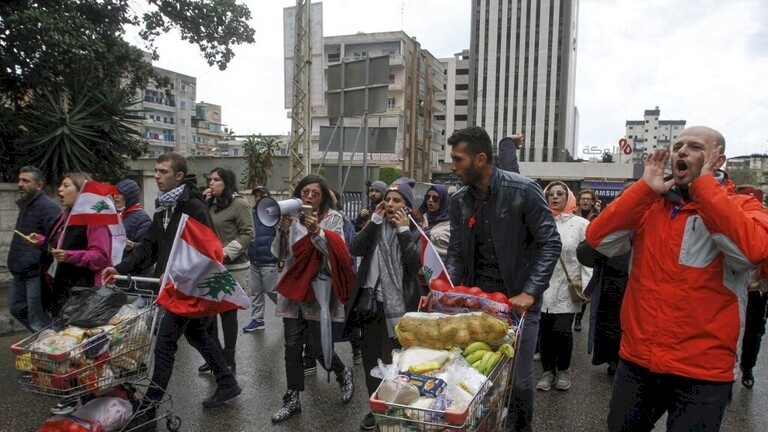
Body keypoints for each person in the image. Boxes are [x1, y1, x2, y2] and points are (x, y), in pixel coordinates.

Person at [586, 126, 768, 431]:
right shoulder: (651, 203)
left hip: (703, 371)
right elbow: (598, 239)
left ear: (717, 159)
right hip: (638, 361)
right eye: (677, 146)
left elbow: (750, 253)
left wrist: (706, 189)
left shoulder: (743, 206)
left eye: (694, 147)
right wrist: (644, 189)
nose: (680, 152)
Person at [102, 152, 241, 427]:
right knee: (197, 335)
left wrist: (179, 272)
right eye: (155, 170)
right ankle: (227, 382)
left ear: (178, 175)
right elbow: (149, 247)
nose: (156, 176)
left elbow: (208, 250)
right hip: (172, 288)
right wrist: (120, 269)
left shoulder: (193, 207)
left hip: (185, 287)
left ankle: (148, 412)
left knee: (165, 344)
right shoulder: (164, 207)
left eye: (163, 171)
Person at [444, 126, 561, 432]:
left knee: (518, 382)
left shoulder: (523, 190)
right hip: (477, 303)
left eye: (458, 159)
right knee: (475, 377)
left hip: (519, 303)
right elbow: (456, 252)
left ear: (480, 159)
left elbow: (550, 243)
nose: (453, 167)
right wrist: (449, 290)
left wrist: (531, 292)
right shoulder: (459, 202)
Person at [270, 174, 356, 423]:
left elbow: (335, 254)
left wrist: (316, 231)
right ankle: (292, 398)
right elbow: (281, 254)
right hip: (293, 288)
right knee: (292, 346)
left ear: (323, 197)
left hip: (319, 290)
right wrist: (283, 230)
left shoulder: (333, 219)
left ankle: (342, 373)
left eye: (314, 193)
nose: (308, 197)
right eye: (304, 192)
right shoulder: (289, 217)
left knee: (319, 346)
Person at [348, 179, 424, 430]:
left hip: (397, 309)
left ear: (407, 206)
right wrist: (374, 222)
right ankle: (375, 407)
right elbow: (356, 247)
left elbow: (414, 266)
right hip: (370, 305)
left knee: (392, 363)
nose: (390, 204)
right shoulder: (375, 224)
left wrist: (403, 231)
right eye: (388, 199)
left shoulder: (414, 230)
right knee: (371, 363)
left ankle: (394, 408)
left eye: (397, 200)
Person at [197, 167, 255, 374]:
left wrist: (225, 253)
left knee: (227, 315)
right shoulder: (209, 205)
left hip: (231, 266)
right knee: (208, 316)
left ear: (227, 183)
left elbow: (248, 233)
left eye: (216, 180)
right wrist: (202, 203)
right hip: (210, 267)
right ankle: (215, 356)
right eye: (209, 179)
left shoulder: (239, 204)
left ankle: (229, 359)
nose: (211, 183)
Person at [536, 182, 592, 392]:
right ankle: (547, 370)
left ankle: (564, 369)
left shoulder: (580, 225)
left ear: (569, 197)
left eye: (560, 193)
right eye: (550, 193)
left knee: (562, 331)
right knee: (544, 331)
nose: (555, 196)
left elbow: (587, 259)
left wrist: (587, 287)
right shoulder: (540, 222)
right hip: (542, 287)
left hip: (567, 287)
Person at [32, 172, 112, 320]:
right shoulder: (64, 218)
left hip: (83, 295)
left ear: (81, 191)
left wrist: (70, 256)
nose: (59, 190)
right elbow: (62, 244)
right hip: (60, 292)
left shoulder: (94, 220)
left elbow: (100, 256)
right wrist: (42, 242)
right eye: (60, 185)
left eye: (66, 185)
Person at [576, 183, 634, 377]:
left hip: (638, 288)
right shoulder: (609, 221)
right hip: (611, 284)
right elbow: (588, 255)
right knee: (610, 325)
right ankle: (613, 360)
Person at [8, 166, 61, 332]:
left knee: (37, 319)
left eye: (26, 181)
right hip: (20, 271)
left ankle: (49, 349)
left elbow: (55, 241)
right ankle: (46, 340)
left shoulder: (48, 207)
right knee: (16, 309)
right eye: (19, 180)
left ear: (39, 185)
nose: (21, 184)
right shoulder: (26, 205)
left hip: (36, 273)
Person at [736, 185, 768, 389]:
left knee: (754, 334)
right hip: (733, 291)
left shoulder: (763, 227)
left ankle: (747, 368)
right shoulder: (731, 223)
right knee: (728, 334)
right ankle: (726, 378)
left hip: (757, 292)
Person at [243, 186, 278, 332]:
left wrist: (280, 257)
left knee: (271, 290)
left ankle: (290, 311)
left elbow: (281, 236)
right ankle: (258, 320)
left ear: (268, 196)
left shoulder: (275, 213)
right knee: (255, 291)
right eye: (255, 196)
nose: (258, 198)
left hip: (268, 259)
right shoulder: (250, 213)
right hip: (253, 259)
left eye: (261, 195)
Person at [113, 179, 153, 302]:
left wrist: (133, 245)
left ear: (129, 197)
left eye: (120, 194)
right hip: (120, 277)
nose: (116, 197)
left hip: (135, 282)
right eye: (114, 193)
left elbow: (147, 248)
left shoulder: (142, 218)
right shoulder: (117, 216)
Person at [572, 188, 600, 331]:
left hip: (588, 256)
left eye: (588, 199)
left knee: (584, 291)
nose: (585, 201)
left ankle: (578, 319)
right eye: (583, 198)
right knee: (573, 288)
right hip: (573, 254)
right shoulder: (571, 214)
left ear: (593, 201)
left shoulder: (597, 217)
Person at [418, 184, 451, 261]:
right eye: (427, 197)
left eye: (435, 198)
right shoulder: (420, 219)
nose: (430, 200)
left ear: (443, 200)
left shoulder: (451, 225)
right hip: (419, 269)